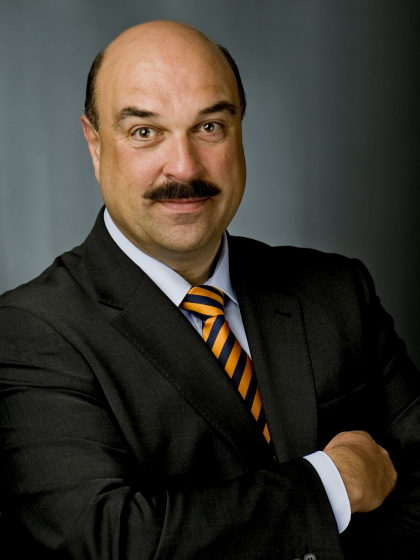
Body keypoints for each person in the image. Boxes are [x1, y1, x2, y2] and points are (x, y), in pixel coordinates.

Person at [0, 20, 419, 559]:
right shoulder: (30, 332)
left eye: (209, 127)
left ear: (240, 128)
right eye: (145, 132)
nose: (184, 166)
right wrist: (331, 485)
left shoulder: (335, 291)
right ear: (95, 144)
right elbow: (114, 541)